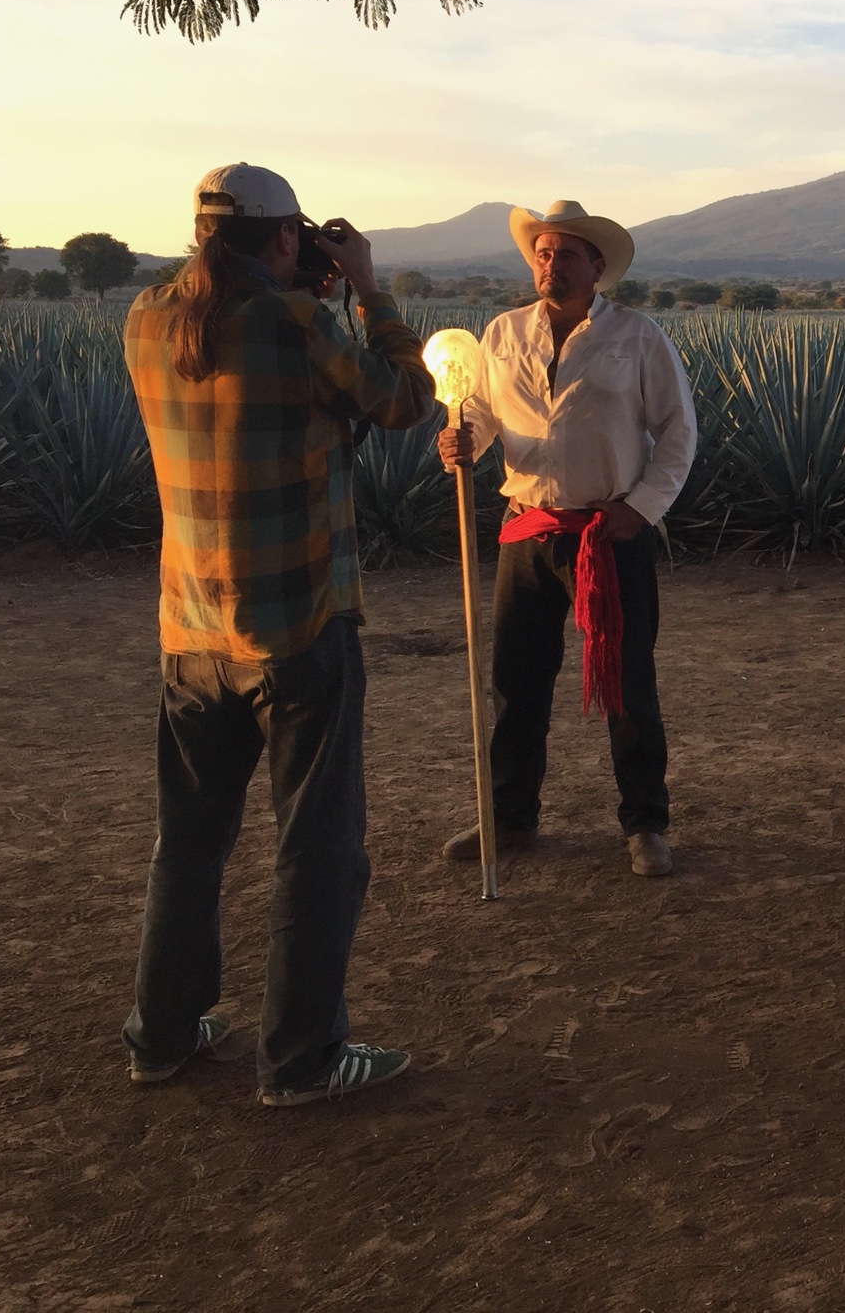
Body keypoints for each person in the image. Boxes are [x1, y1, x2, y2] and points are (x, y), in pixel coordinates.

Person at [120, 162, 436, 1106]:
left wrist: (306, 287)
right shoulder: (299, 323)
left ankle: (162, 1036)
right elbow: (404, 401)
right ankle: (301, 1059)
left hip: (191, 630)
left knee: (189, 842)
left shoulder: (146, 319)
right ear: (287, 236)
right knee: (317, 844)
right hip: (298, 625)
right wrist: (367, 289)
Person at [437, 201, 697, 877]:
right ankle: (510, 816)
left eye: (567, 254)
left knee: (627, 682)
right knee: (516, 684)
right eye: (543, 253)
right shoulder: (501, 333)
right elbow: (484, 412)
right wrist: (465, 441)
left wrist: (641, 509)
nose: (551, 265)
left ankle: (646, 823)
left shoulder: (637, 337)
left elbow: (678, 429)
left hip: (609, 534)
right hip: (527, 528)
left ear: (597, 267)